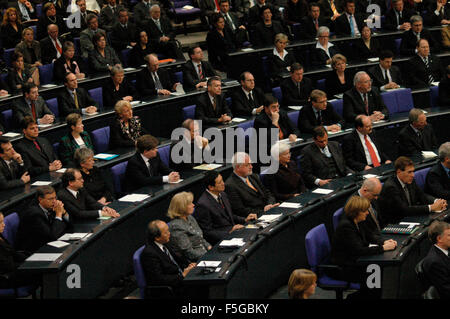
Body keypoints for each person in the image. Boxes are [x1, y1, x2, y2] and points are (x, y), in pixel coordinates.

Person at [330, 196, 397, 298]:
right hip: (344, 267)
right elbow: (359, 250)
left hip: (356, 260)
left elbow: (369, 236)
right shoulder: (346, 226)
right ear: (356, 212)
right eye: (365, 211)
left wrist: (384, 242)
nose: (367, 213)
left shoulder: (358, 221)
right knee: (374, 273)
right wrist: (383, 248)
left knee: (377, 271)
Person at [378, 156, 447, 225]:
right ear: (399, 172)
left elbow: (422, 195)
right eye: (409, 172)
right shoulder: (390, 187)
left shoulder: (410, 180)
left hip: (411, 217)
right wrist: (431, 207)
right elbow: (404, 210)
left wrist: (437, 201)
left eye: (413, 171)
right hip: (396, 222)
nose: (413, 175)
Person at [195, 170, 257, 245]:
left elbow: (230, 216)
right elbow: (207, 232)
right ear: (211, 187)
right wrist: (229, 232)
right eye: (219, 182)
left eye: (222, 180)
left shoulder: (223, 194)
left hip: (234, 232)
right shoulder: (203, 205)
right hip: (222, 240)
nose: (223, 184)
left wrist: (245, 219)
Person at [140, 220, 196, 298]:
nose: (169, 233)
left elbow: (177, 259)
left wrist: (188, 265)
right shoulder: (149, 253)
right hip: (172, 288)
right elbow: (158, 279)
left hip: (180, 278)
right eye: (166, 232)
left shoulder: (165, 242)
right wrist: (182, 276)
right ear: (157, 238)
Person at [16, 186, 70, 253]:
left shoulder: (51, 206)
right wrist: (58, 214)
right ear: (40, 199)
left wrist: (64, 212)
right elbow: (52, 236)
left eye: (55, 198)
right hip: (34, 249)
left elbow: (70, 225)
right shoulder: (34, 214)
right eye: (50, 199)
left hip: (47, 242)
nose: (54, 201)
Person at [225, 152, 279, 217]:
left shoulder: (253, 176)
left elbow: (267, 193)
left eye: (251, 164)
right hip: (256, 216)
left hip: (269, 210)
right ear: (238, 167)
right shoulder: (230, 185)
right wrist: (263, 211)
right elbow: (240, 210)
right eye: (247, 165)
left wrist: (270, 204)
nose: (251, 167)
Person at [166, 191, 211, 263]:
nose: (193, 205)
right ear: (182, 207)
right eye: (190, 204)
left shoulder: (190, 217)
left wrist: (209, 247)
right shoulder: (176, 226)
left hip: (205, 254)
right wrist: (209, 255)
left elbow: (200, 238)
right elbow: (189, 253)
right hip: (195, 261)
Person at [0, 211, 33, 289]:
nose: (3, 225)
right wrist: (28, 266)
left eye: (3, 221)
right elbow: (7, 266)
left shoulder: (0, 236)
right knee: (42, 274)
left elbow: (12, 252)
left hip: (13, 269)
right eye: (0, 222)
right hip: (5, 277)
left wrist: (29, 260)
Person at [422, 221, 450, 299]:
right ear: (439, 239)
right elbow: (446, 290)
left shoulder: (445, 249)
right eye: (449, 235)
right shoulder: (435, 262)